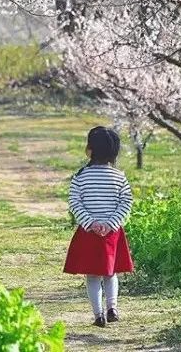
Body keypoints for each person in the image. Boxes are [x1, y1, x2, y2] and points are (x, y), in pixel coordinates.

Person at [63, 126, 134, 328]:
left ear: (90, 149)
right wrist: (111, 223)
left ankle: (98, 315)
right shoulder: (119, 177)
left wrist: (91, 223)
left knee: (92, 276)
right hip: (112, 233)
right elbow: (126, 201)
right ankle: (113, 308)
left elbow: (75, 202)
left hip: (88, 233)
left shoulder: (80, 176)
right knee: (110, 273)